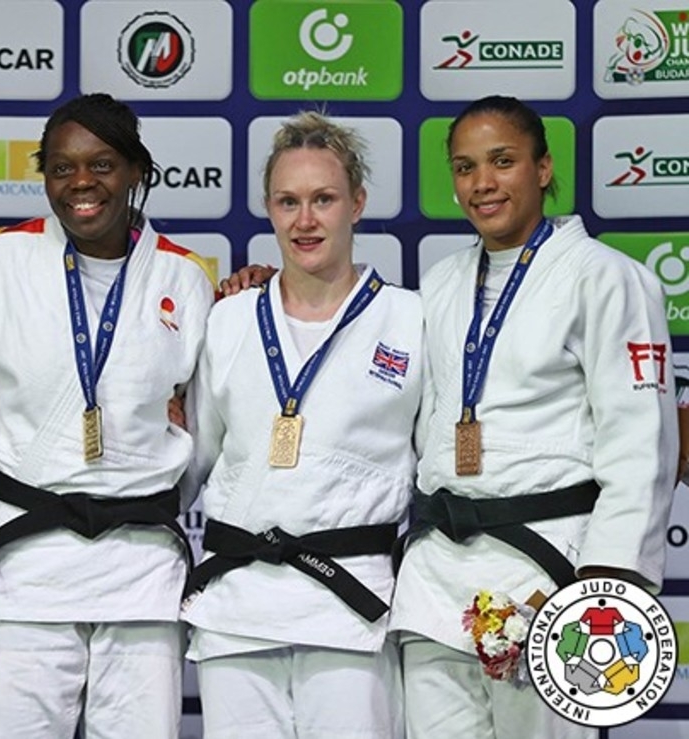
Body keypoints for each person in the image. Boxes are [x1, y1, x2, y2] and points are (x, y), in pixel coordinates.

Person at [389, 95, 676, 738]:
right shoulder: (440, 283)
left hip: (544, 573)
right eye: (465, 167)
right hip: (435, 579)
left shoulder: (608, 279)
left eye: (502, 161)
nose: (482, 183)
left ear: (543, 169)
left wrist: (601, 589)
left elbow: (641, 443)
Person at [0, 92, 215, 739]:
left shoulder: (183, 277)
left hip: (141, 567)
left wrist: (154, 493)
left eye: (102, 165)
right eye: (62, 167)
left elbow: (205, 427)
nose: (81, 183)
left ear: (137, 171)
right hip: (27, 562)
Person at [180, 111, 419, 738]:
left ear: (357, 203)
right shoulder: (229, 320)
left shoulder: (410, 320)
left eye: (323, 199)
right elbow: (192, 460)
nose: (304, 220)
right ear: (268, 208)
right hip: (237, 608)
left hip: (352, 610)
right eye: (288, 201)